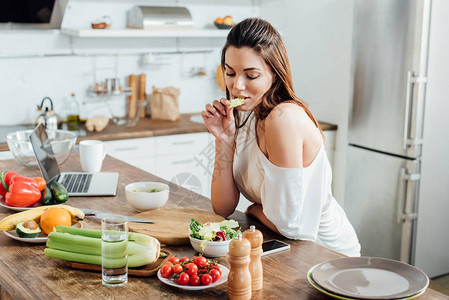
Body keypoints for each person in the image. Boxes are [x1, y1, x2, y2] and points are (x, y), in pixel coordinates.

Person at [201, 18, 360, 257]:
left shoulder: (283, 118)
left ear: (275, 74)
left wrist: (254, 208)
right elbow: (222, 207)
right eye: (230, 73)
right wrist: (224, 140)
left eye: (251, 75)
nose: (237, 87)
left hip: (327, 254)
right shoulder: (245, 114)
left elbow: (291, 227)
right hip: (284, 248)